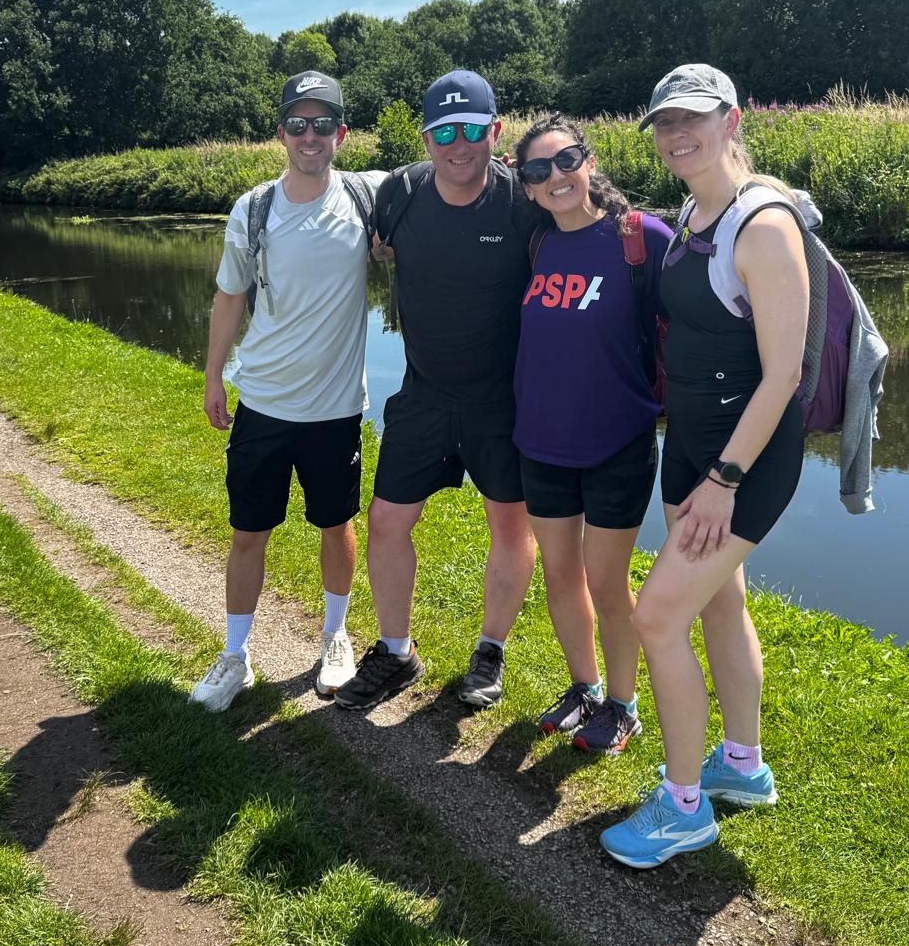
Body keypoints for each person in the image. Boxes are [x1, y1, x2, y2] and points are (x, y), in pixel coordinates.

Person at [599, 64, 806, 868]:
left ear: (732, 120)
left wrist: (724, 482)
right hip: (689, 442)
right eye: (664, 122)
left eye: (693, 117)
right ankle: (742, 767)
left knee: (657, 617)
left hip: (741, 459)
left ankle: (684, 808)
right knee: (720, 601)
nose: (677, 134)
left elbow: (782, 376)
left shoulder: (765, 227)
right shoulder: (693, 211)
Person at [334, 69, 543, 712]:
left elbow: (591, 218)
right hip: (423, 393)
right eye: (444, 133)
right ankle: (396, 652)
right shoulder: (399, 193)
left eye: (472, 130)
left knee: (510, 524)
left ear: (495, 131)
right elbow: (360, 228)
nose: (459, 146)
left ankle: (490, 651)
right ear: (426, 139)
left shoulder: (523, 202)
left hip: (503, 399)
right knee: (387, 521)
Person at [192, 71, 388, 711]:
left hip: (335, 410)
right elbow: (229, 297)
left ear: (342, 133)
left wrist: (504, 171)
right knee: (248, 533)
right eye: (298, 125)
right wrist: (213, 374)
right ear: (281, 133)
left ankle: (335, 638)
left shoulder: (367, 197)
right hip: (262, 404)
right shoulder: (252, 209)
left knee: (337, 525)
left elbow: (447, 179)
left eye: (322, 124)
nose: (311, 136)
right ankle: (235, 655)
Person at [511, 114, 671, 753]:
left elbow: (696, 318)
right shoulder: (536, 244)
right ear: (527, 187)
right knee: (560, 575)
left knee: (606, 581)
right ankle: (585, 687)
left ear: (590, 162)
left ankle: (623, 706)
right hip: (542, 441)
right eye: (538, 169)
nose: (556, 176)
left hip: (617, 443)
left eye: (567, 160)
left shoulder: (641, 239)